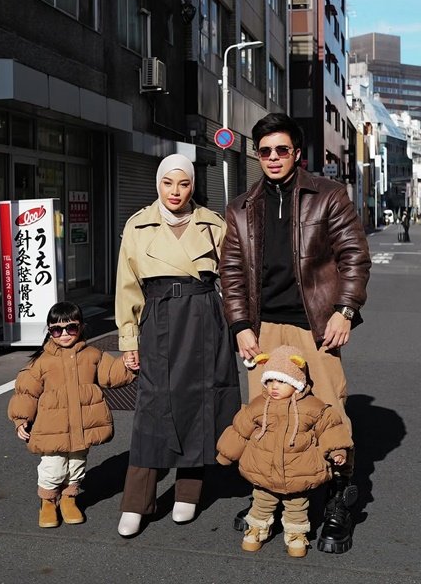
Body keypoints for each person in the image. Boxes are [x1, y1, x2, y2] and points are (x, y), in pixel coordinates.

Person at [220, 112, 371, 553]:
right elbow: (231, 272)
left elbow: (354, 257)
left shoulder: (328, 195)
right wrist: (240, 326)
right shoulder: (241, 207)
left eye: (281, 150)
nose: (272, 158)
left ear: (297, 153)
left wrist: (345, 311)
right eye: (264, 151)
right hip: (262, 329)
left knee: (330, 415)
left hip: (316, 326)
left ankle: (339, 501)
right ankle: (268, 500)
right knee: (266, 418)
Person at [114, 153, 241, 537]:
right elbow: (127, 287)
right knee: (153, 407)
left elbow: (235, 277)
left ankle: (188, 492)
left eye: (183, 183)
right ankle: (137, 500)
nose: (175, 191)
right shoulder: (138, 225)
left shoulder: (213, 224)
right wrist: (127, 338)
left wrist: (243, 328)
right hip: (159, 318)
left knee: (202, 401)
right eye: (168, 183)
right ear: (158, 184)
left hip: (205, 317)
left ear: (192, 186)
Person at [216, 345, 353, 557]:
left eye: (281, 381)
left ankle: (296, 534)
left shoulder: (312, 407)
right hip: (263, 470)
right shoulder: (259, 406)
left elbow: (330, 429)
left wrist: (337, 451)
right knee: (262, 501)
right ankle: (258, 528)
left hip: (298, 473)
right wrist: (226, 454)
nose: (274, 387)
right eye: (270, 381)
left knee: (297, 507)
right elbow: (239, 430)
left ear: (296, 383)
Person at [8, 301, 135, 528]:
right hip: (51, 429)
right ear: (49, 331)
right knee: (53, 467)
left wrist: (127, 364)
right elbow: (26, 392)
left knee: (77, 464)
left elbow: (111, 375)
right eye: (57, 329)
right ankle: (48, 501)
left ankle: (69, 498)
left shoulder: (93, 355)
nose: (64, 334)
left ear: (81, 327)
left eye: (71, 328)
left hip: (83, 426)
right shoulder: (41, 362)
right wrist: (21, 419)